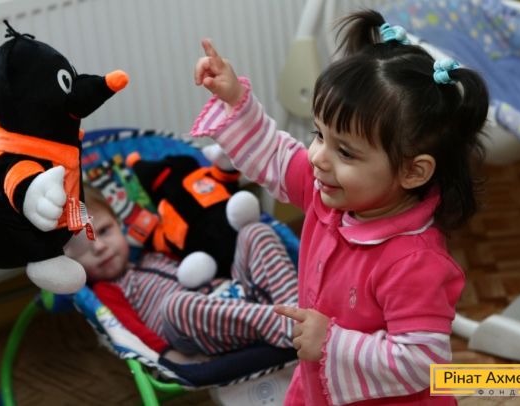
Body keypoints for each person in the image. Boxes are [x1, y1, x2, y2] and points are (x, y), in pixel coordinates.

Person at [190, 8, 489, 406]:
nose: (317, 157)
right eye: (319, 135)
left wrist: (332, 343)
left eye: (345, 152)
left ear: (413, 171)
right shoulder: (326, 192)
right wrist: (235, 100)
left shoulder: (416, 263)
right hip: (317, 385)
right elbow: (276, 155)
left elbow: (423, 363)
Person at [65, 184, 298, 356]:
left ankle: (296, 313)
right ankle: (289, 329)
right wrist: (166, 354)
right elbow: (129, 331)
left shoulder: (154, 253)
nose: (99, 247)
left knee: (255, 232)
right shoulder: (107, 290)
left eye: (104, 231)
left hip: (238, 297)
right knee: (175, 304)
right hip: (192, 331)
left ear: (119, 225)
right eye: (83, 245)